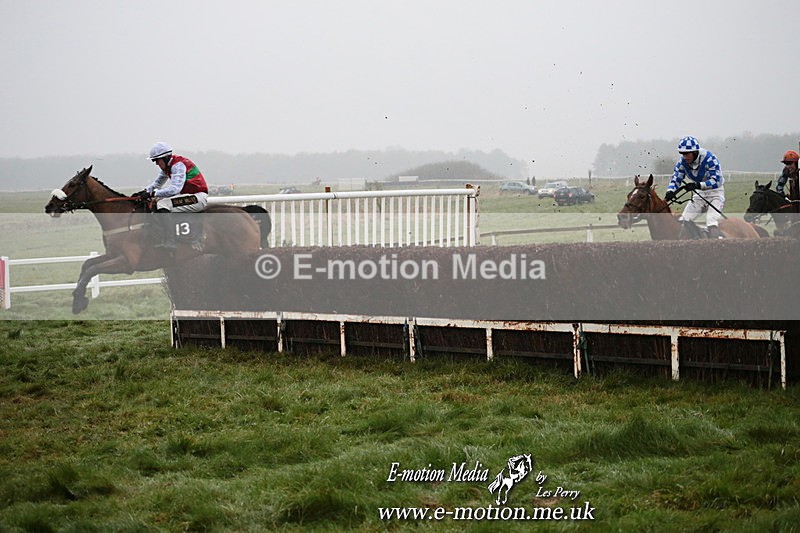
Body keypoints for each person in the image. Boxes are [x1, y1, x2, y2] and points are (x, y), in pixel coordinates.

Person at [135, 142, 209, 248]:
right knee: (157, 202)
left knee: (162, 204)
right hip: (189, 196)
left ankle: (170, 240)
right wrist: (144, 192)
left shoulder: (178, 165)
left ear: (165, 157)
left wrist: (153, 193)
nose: (156, 163)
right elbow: (157, 183)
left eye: (156, 160)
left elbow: (175, 189)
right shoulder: (168, 166)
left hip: (197, 198)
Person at [663, 136, 725, 239]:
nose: (685, 157)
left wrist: (698, 185)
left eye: (687, 154)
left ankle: (716, 245)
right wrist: (671, 190)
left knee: (711, 220)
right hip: (699, 194)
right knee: (684, 220)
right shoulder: (682, 162)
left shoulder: (710, 158)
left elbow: (716, 180)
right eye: (683, 154)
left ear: (695, 152)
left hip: (715, 193)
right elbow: (676, 179)